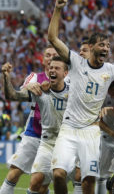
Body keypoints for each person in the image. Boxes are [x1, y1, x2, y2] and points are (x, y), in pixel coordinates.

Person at [48, 0, 114, 193]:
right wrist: (58, 10)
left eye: (108, 45)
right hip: (69, 128)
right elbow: (53, 38)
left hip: (91, 132)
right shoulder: (76, 62)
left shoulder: (112, 70)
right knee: (58, 174)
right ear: (92, 46)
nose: (105, 48)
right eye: (102, 44)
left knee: (88, 180)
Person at [2, 57, 69, 194]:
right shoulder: (40, 91)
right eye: (51, 68)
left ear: (66, 73)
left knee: (68, 179)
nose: (52, 70)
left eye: (57, 68)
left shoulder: (74, 92)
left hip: (66, 143)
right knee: (35, 180)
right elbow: (13, 95)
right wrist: (6, 77)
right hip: (46, 142)